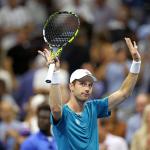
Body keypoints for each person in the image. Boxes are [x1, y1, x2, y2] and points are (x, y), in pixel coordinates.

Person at [38, 37, 141, 150]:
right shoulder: (64, 113)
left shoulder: (94, 107)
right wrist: (55, 73)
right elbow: (56, 109)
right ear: (71, 86)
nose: (87, 88)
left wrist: (136, 62)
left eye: (90, 85)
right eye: (82, 84)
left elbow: (124, 93)